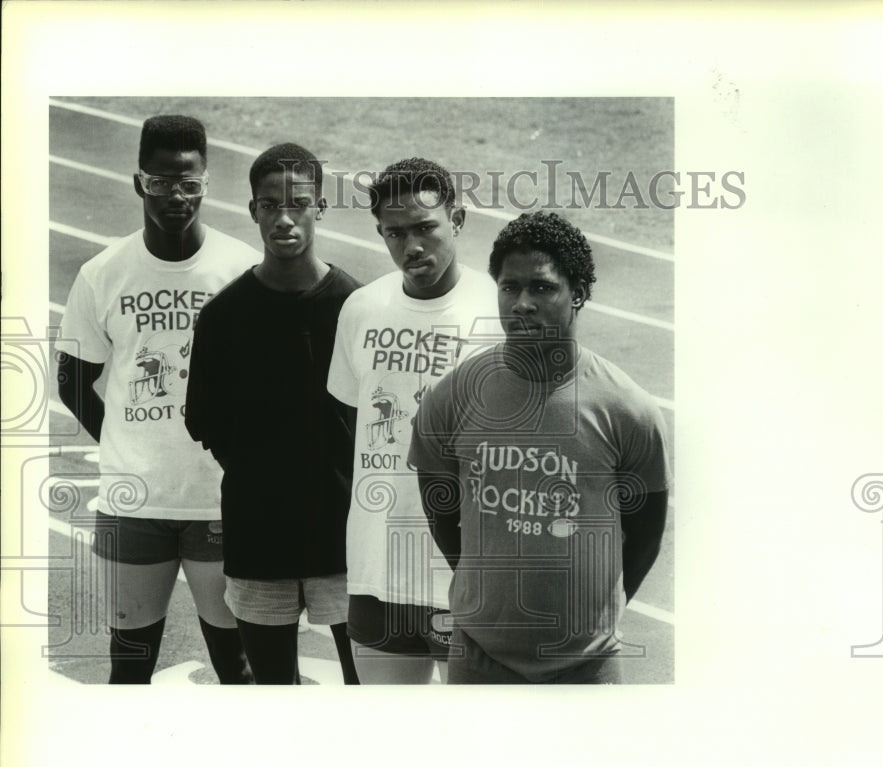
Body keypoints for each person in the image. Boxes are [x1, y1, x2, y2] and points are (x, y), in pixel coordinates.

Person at [408, 211, 671, 684]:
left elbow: (646, 533)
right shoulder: (453, 395)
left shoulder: (627, 408)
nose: (522, 303)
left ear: (579, 294)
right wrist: (481, 589)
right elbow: (439, 506)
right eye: (509, 288)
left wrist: (593, 615)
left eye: (542, 288)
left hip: (586, 666)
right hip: (480, 657)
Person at [56, 114, 258, 684]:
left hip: (218, 500)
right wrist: (123, 440)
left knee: (238, 666)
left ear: (206, 184)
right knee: (129, 665)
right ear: (138, 182)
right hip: (133, 502)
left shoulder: (239, 269)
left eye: (189, 184)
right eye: (161, 181)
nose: (176, 196)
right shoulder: (104, 274)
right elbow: (73, 377)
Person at [184, 143, 362, 685]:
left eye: (299, 204)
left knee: (371, 692)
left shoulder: (356, 307)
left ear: (320, 207)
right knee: (273, 697)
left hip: (346, 540)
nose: (284, 218)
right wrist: (262, 468)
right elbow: (204, 421)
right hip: (259, 537)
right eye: (269, 205)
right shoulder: (222, 317)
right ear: (253, 211)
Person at [326, 157, 498, 684]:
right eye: (395, 233)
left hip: (465, 570)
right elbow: (349, 423)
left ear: (459, 220)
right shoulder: (361, 307)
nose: (412, 247)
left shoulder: (498, 311)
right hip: (377, 569)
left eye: (426, 228)